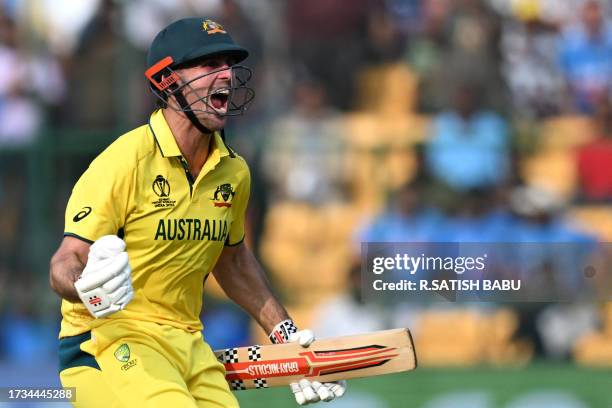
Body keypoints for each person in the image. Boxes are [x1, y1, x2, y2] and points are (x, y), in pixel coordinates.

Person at [49, 17, 346, 407]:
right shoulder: (124, 161)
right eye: (209, 65)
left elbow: (234, 262)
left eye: (228, 65)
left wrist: (284, 337)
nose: (227, 76)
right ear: (167, 81)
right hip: (109, 340)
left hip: (187, 341)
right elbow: (65, 261)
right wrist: (86, 288)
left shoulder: (234, 171)